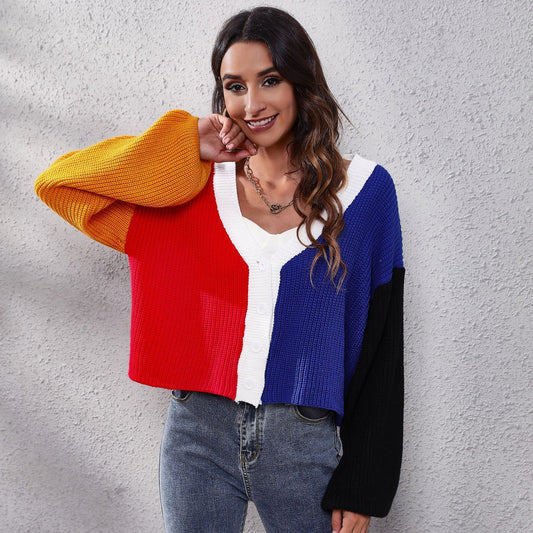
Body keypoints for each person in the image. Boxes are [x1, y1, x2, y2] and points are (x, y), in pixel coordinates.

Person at [34, 6, 404, 533]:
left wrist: (363, 484)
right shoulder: (190, 190)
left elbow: (381, 343)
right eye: (235, 86)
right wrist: (185, 145)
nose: (252, 104)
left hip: (303, 442)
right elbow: (60, 183)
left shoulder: (366, 193)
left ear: (301, 82)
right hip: (197, 437)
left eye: (269, 80)